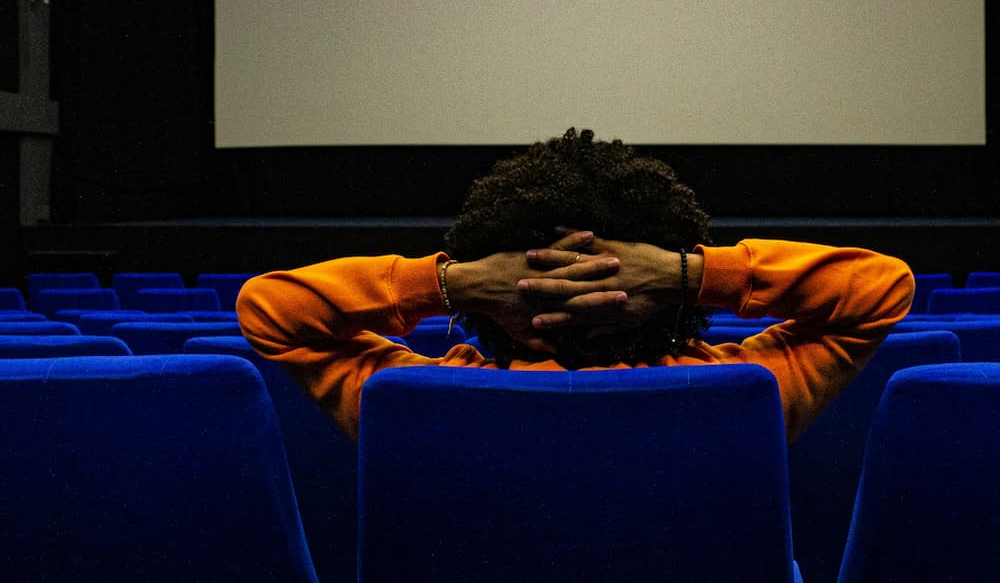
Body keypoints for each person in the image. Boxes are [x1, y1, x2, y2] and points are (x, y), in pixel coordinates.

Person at [237, 128, 913, 441]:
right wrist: (691, 274)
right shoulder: (747, 390)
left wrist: (451, 282)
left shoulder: (415, 399)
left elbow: (268, 310)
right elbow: (883, 288)